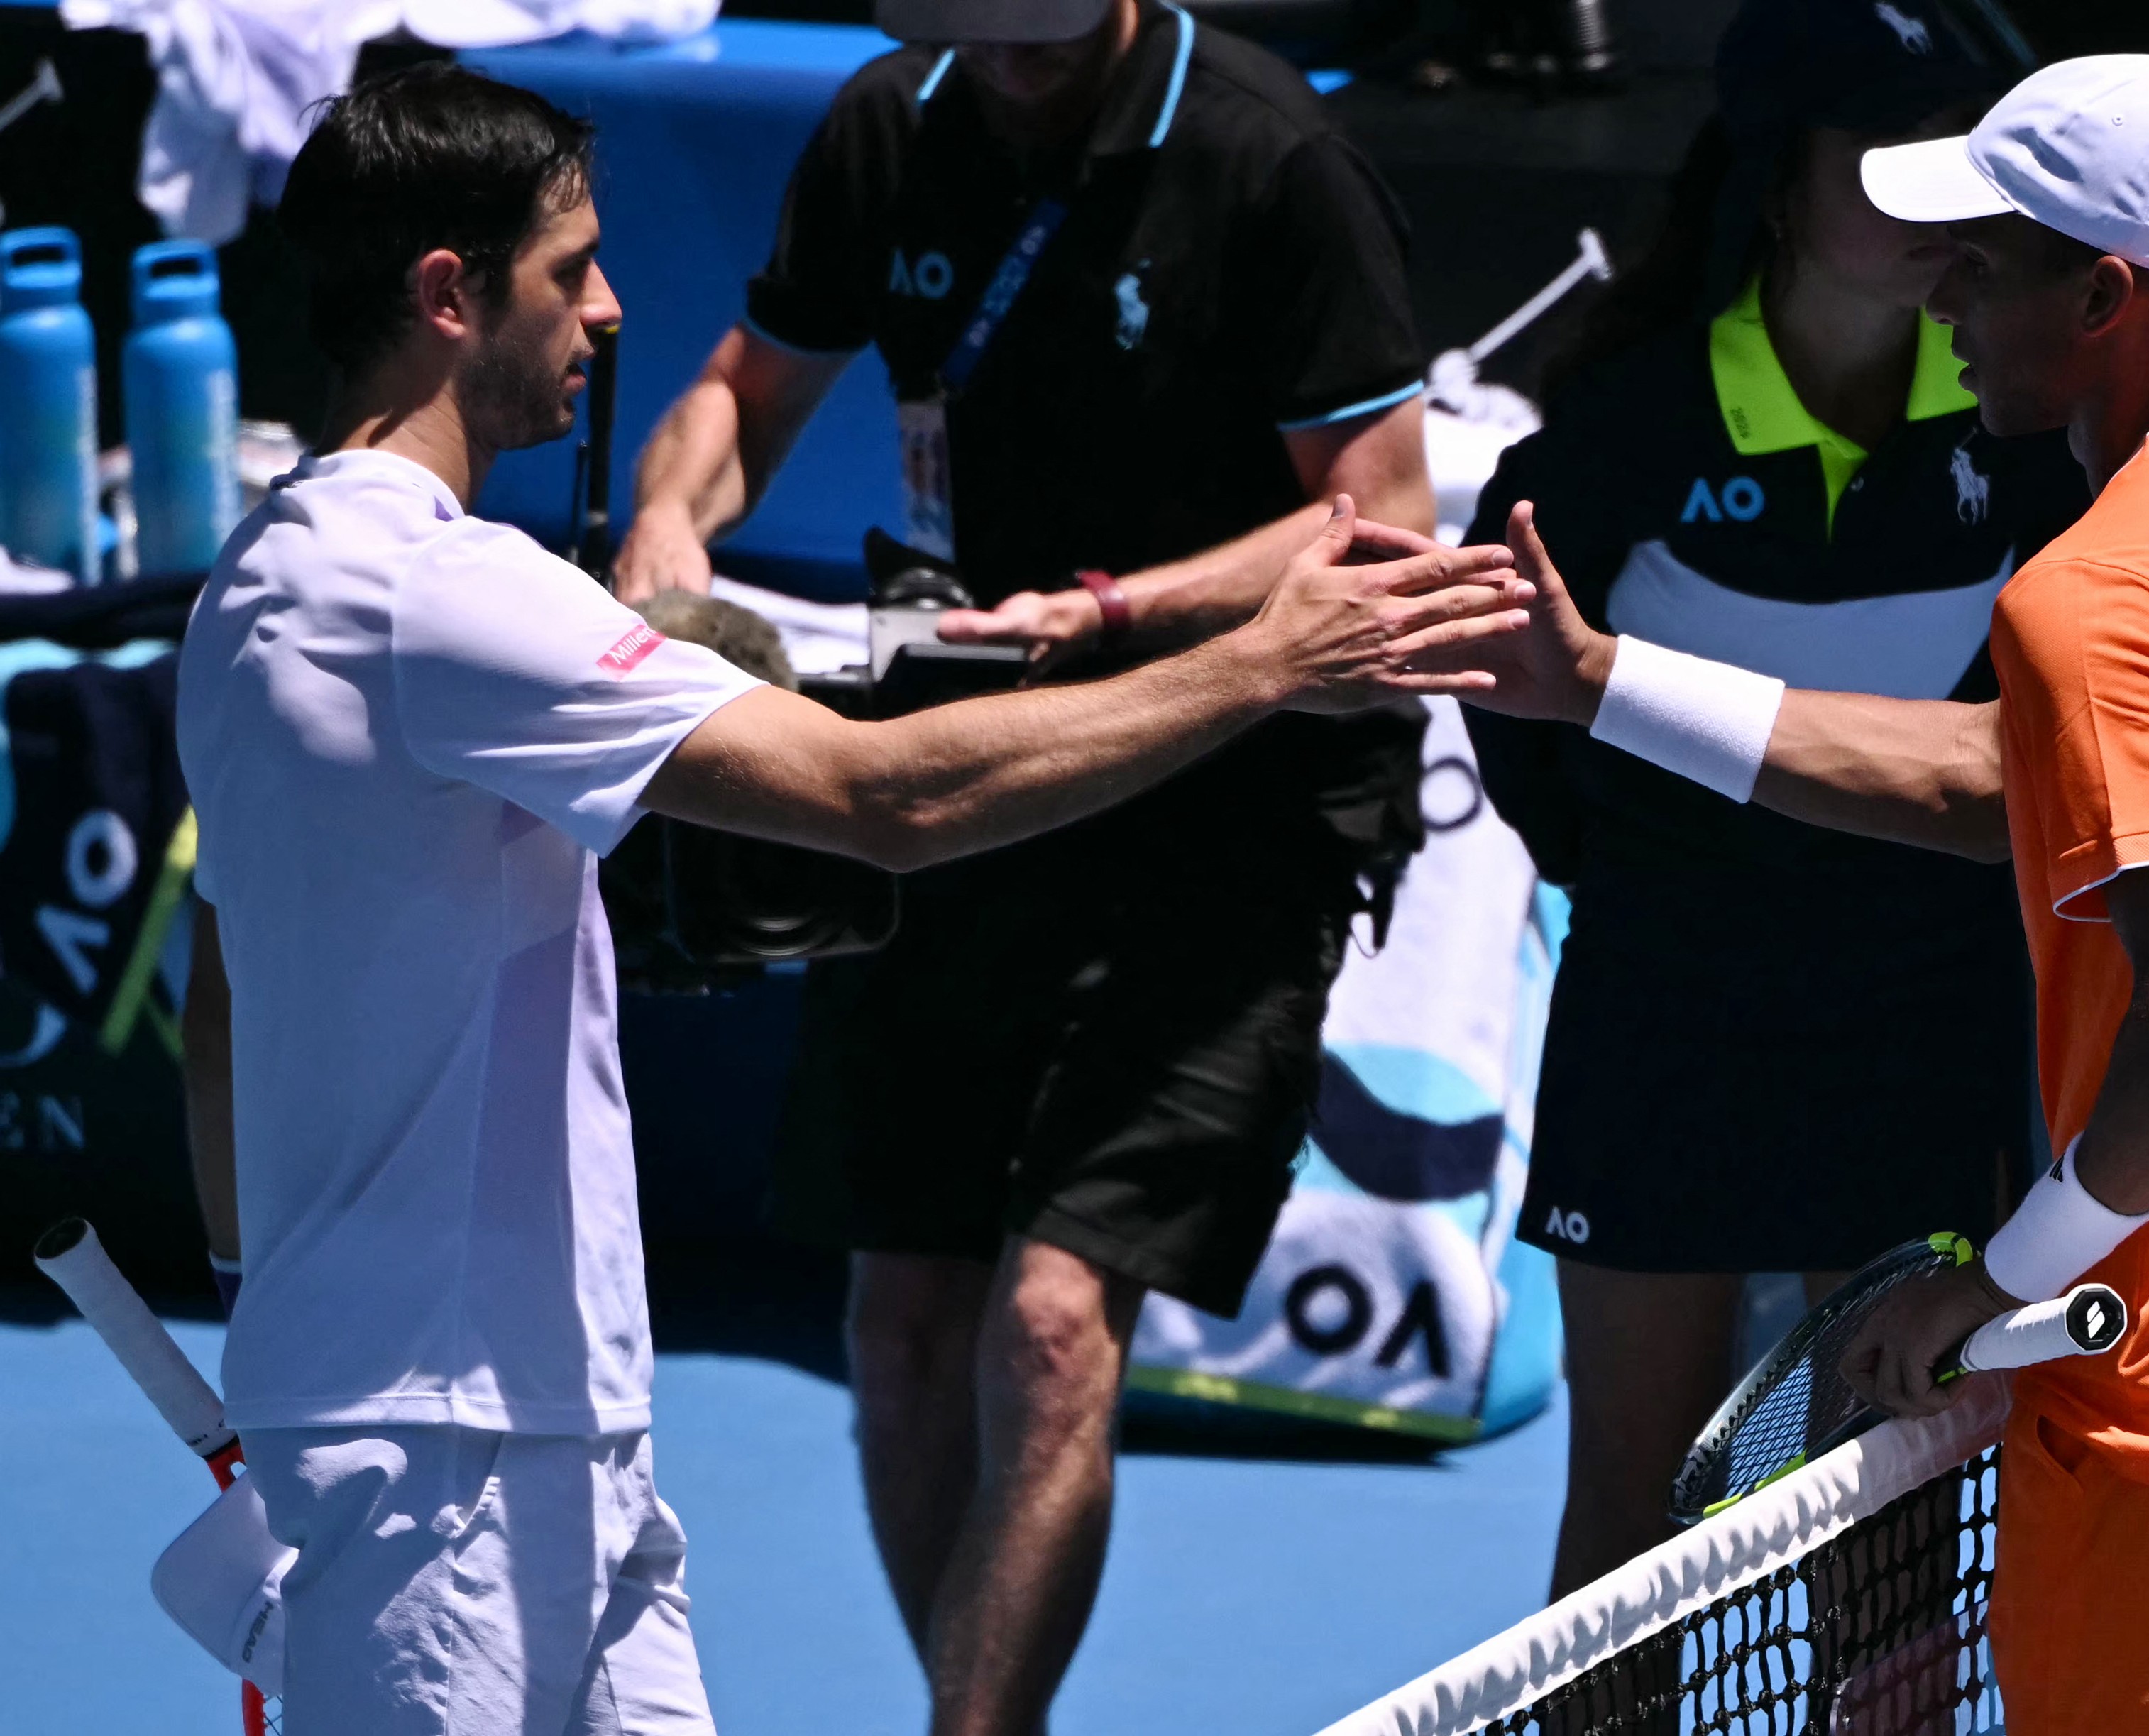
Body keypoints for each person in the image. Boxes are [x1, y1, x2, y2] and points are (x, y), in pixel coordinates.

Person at [175, 65, 1523, 1734]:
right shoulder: (443, 594)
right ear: (446, 297)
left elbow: (217, 990)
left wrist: (260, 1301)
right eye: (568, 267)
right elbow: (884, 802)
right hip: (441, 1463)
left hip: (518, 1420)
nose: (608, 308)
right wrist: (1256, 661)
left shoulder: (252, 583)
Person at [1444, 53, 2149, 1735]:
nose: (1944, 294)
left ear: (2103, 295)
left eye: (1987, 257)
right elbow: (2006, 787)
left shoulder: (2094, 595)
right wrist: (1604, 685)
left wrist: (2003, 1277)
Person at [610, 4, 1440, 1729]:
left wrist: (1115, 610)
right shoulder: (884, 127)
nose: (997, 57)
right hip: (977, 768)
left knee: (1053, 1322)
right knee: (900, 1321)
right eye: (962, 25)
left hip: (1237, 796)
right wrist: (667, 528)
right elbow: (739, 394)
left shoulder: (1273, 161)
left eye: (1028, 27)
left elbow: (1377, 514)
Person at [1460, 0, 2085, 1603]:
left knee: (1890, 1537)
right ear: (1778, 176)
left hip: (1924, 1025)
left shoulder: (2032, 437)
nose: (1933, 201)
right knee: (1630, 1527)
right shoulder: (1619, 439)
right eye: (1888, 156)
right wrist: (1674, 885)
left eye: (1963, 161)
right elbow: (1526, 737)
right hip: (1666, 1019)